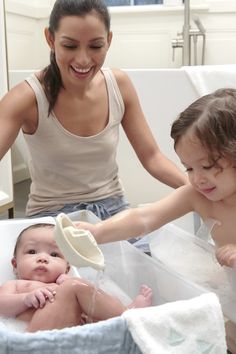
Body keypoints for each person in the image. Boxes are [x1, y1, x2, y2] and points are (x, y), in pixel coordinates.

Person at [0, 0, 186, 220]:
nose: (83, 59)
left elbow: (152, 157)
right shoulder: (26, 97)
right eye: (70, 46)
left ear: (108, 40)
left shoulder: (119, 85)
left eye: (95, 46)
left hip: (113, 209)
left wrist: (199, 189)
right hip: (51, 215)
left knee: (144, 253)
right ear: (50, 39)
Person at [75, 88, 236, 269]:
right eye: (188, 168)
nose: (197, 178)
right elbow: (145, 217)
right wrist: (98, 231)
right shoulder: (196, 195)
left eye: (207, 166)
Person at [0, 223, 153, 332]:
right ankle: (129, 315)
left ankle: (121, 318)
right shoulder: (16, 284)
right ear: (15, 264)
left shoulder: (66, 284)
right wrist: (25, 299)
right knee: (74, 287)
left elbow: (94, 301)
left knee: (89, 300)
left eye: (54, 254)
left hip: (74, 333)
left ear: (67, 268)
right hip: (35, 336)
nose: (42, 258)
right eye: (32, 252)